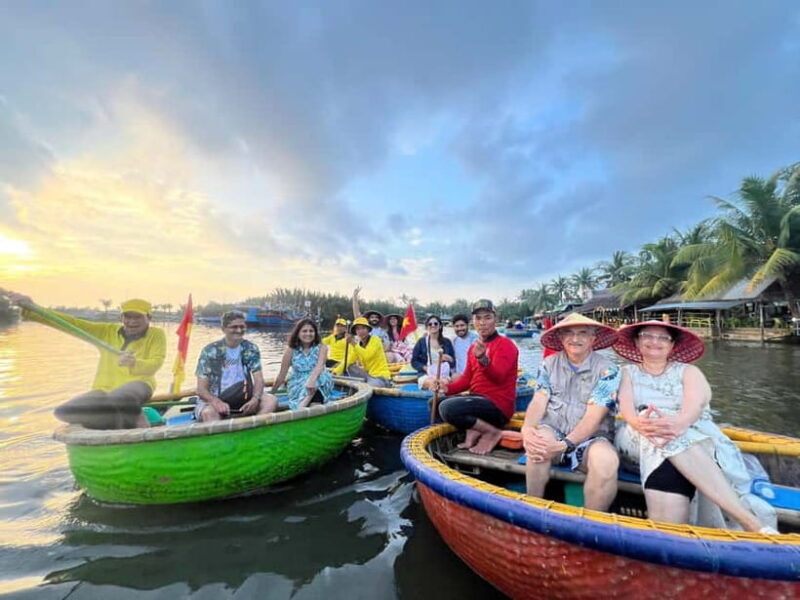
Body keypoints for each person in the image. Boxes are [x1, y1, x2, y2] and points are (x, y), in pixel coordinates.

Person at [613, 321, 778, 533]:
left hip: (688, 434)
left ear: (672, 345)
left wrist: (677, 424)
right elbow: (627, 411)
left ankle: (669, 540)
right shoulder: (626, 373)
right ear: (637, 341)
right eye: (647, 335)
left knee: (671, 440)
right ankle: (749, 521)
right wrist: (643, 424)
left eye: (663, 337)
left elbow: (695, 405)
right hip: (636, 437)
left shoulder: (689, 372)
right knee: (664, 435)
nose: (655, 342)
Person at [7, 292, 166, 429]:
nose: (131, 322)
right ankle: (122, 426)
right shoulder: (106, 331)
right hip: (104, 389)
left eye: (137, 317)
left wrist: (134, 363)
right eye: (127, 316)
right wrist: (33, 308)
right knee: (64, 412)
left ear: (149, 317)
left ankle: (142, 426)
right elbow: (71, 324)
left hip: (139, 384)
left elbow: (156, 363)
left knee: (121, 398)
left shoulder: (156, 335)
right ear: (121, 317)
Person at [522, 313, 621, 511]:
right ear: (560, 338)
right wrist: (527, 429)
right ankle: (533, 509)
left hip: (592, 438)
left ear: (593, 339)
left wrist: (564, 445)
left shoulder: (608, 370)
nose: (575, 339)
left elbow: (595, 416)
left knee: (607, 461)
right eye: (569, 333)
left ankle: (592, 526)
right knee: (537, 443)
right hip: (555, 428)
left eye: (583, 333)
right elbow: (539, 399)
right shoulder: (548, 365)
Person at [433, 299, 518, 455]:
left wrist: (483, 360)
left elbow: (498, 378)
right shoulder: (474, 347)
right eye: (478, 318)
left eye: (487, 317)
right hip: (478, 400)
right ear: (473, 321)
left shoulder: (506, 345)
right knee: (434, 403)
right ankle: (474, 430)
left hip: (498, 407)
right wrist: (446, 388)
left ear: (496, 319)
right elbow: (467, 379)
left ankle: (491, 432)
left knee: (447, 409)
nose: (482, 322)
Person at [194, 310, 277, 422]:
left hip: (243, 395)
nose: (239, 330)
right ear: (223, 329)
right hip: (215, 398)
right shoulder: (210, 351)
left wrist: (255, 399)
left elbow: (258, 379)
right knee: (209, 413)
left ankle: (253, 429)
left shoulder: (251, 349)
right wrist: (216, 402)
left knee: (271, 400)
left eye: (242, 327)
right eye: (234, 327)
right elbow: (201, 389)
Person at [272, 318, 335, 410]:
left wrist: (311, 381)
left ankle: (300, 409)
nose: (308, 334)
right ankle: (302, 406)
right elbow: (282, 374)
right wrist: (272, 392)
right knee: (311, 395)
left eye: (311, 331)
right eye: (304, 331)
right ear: (298, 333)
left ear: (315, 333)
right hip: (297, 383)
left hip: (318, 379)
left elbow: (319, 366)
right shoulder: (290, 350)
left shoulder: (322, 347)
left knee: (315, 385)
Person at [343, 317, 393, 387]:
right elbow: (349, 360)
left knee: (367, 388)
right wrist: (335, 372)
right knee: (349, 366)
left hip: (380, 377)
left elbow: (367, 355)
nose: (361, 331)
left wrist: (352, 343)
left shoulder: (375, 340)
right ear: (356, 332)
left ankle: (364, 386)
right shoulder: (358, 345)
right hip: (369, 376)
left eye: (363, 328)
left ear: (368, 330)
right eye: (358, 329)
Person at [411, 314, 455, 388]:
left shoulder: (447, 342)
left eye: (435, 323)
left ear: (440, 326)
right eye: (430, 324)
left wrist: (450, 359)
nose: (433, 325)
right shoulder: (421, 342)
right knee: (432, 384)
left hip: (443, 374)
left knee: (442, 384)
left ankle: (440, 397)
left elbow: (453, 363)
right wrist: (424, 367)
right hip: (425, 374)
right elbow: (414, 361)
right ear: (426, 327)